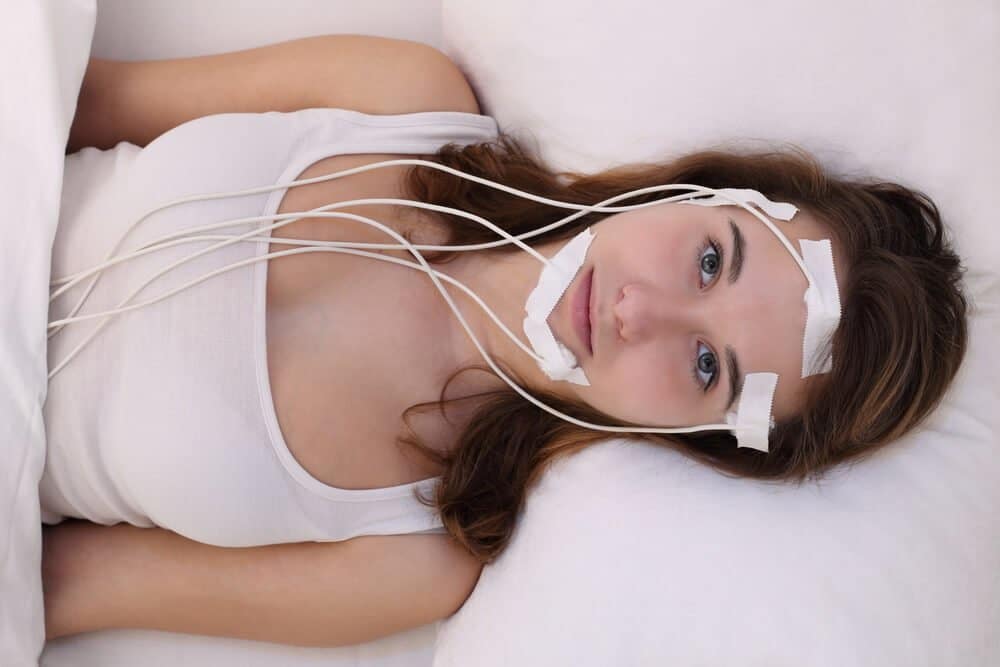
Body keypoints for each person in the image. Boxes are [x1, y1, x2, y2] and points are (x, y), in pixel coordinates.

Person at [42, 35, 969, 648]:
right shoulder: (404, 101)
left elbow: (70, 587)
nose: (638, 315)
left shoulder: (408, 556)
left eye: (705, 366)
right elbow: (86, 102)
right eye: (710, 260)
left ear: (699, 438)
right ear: (699, 193)